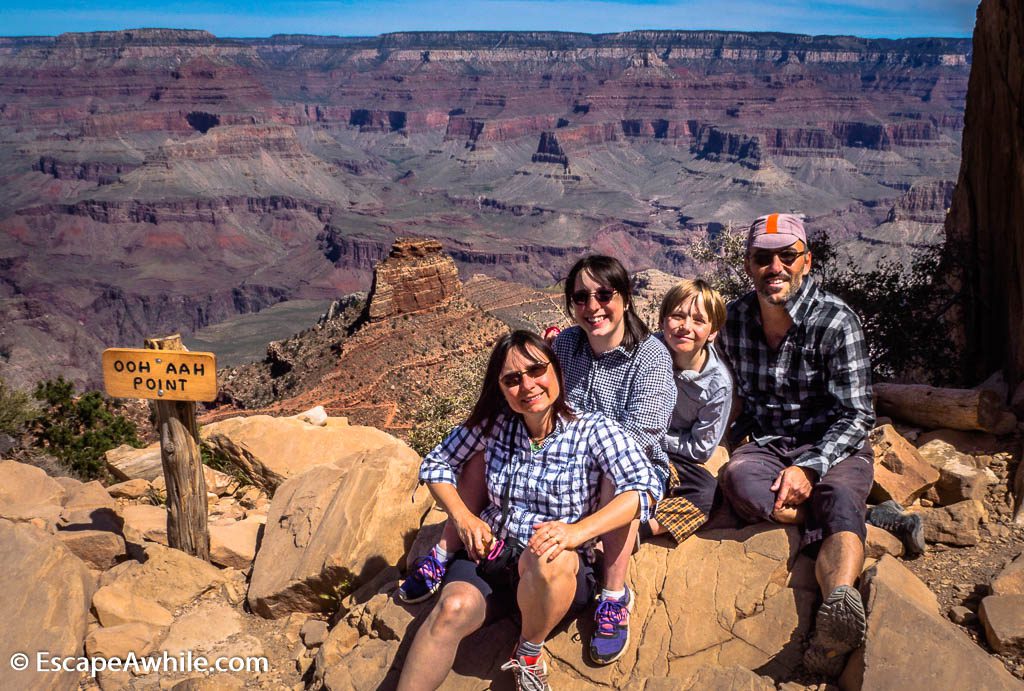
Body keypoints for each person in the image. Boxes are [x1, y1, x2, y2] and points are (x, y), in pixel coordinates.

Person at [396, 331, 661, 691]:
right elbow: (436, 464)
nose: (528, 385)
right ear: (502, 390)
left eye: (537, 370)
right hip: (492, 557)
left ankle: (529, 651)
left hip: (555, 574)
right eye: (513, 379)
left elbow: (644, 489)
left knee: (549, 558)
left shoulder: (594, 430)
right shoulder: (495, 426)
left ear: (556, 373)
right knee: (450, 610)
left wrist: (577, 533)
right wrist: (464, 517)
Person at [715, 213, 876, 677]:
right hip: (767, 443)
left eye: (788, 256)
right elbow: (728, 396)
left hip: (831, 442)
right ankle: (853, 519)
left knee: (838, 492)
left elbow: (858, 415)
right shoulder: (736, 319)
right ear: (748, 264)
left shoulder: (836, 321)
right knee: (738, 482)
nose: (776, 267)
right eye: (764, 258)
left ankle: (835, 620)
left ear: (807, 260)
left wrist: (811, 467)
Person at [551, 255, 675, 665]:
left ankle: (614, 594)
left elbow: (640, 438)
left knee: (612, 471)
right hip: (567, 463)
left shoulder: (651, 357)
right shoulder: (567, 345)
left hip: (631, 468)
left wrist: (578, 459)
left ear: (624, 298)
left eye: (604, 295)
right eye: (581, 297)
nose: (593, 307)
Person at [644, 279, 732, 542]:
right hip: (631, 442)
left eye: (698, 320)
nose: (686, 327)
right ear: (662, 321)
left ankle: (643, 528)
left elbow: (701, 449)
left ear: (713, 331)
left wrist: (657, 437)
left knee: (708, 494)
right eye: (677, 316)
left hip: (671, 453)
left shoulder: (717, 384)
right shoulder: (646, 352)